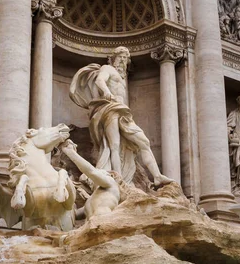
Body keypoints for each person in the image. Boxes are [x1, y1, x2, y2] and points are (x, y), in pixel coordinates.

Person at [69, 46, 173, 187]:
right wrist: (107, 92)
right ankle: (119, 181)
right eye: (120, 57)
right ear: (113, 58)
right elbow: (100, 80)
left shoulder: (122, 76)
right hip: (110, 108)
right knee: (115, 145)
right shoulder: (107, 68)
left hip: (122, 112)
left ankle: (157, 176)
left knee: (144, 142)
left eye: (125, 58)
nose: (123, 60)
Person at [59, 139, 120, 220]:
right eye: (87, 181)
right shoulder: (91, 200)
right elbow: (75, 214)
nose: (89, 181)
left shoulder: (111, 184)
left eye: (89, 178)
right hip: (91, 228)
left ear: (111, 174)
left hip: (105, 222)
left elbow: (91, 172)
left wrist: (70, 152)